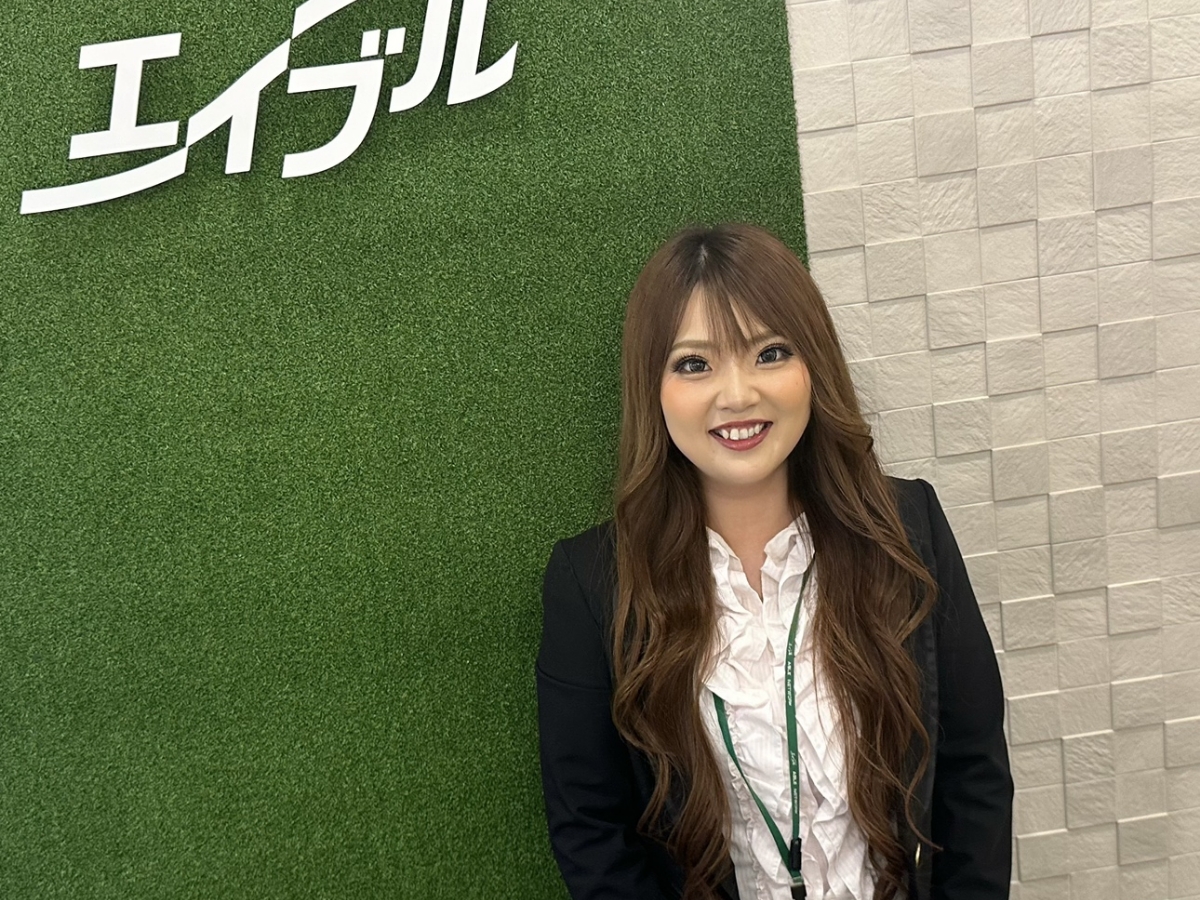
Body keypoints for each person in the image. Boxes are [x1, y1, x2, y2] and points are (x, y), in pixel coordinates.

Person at [535, 223, 1013, 900]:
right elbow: (591, 828)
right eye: (694, 364)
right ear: (652, 386)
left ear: (812, 366)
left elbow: (973, 772)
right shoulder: (592, 584)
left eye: (770, 353)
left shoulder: (907, 529)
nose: (736, 394)